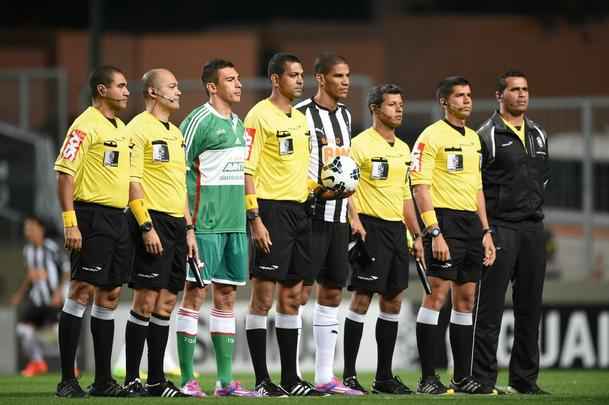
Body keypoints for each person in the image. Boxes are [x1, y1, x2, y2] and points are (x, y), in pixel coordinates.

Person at [244, 53, 325, 397]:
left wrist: (319, 188)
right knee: (263, 298)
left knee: (293, 296)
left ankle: (291, 378)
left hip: (299, 212)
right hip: (271, 211)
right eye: (293, 75)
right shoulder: (258, 116)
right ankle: (263, 381)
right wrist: (255, 218)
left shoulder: (301, 119)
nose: (300, 80)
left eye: (301, 74)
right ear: (276, 79)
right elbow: (247, 169)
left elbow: (305, 167)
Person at [410, 76, 496, 395]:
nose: (467, 100)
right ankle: (427, 378)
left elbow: (477, 188)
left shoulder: (474, 139)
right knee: (437, 295)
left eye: (469, 95)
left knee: (466, 299)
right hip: (443, 221)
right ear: (444, 102)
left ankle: (461, 377)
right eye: (459, 96)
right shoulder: (430, 137)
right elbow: (420, 186)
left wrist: (485, 231)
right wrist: (434, 231)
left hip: (470, 225)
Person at [175, 59, 256, 397]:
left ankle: (225, 381)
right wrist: (187, 227)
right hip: (204, 224)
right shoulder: (197, 121)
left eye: (238, 79)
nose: (238, 85)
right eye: (230, 80)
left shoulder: (239, 123)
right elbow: (175, 174)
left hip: (234, 224)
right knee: (194, 293)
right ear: (212, 86)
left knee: (226, 295)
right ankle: (188, 379)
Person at [53, 65, 131, 397]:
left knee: (110, 295)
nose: (127, 91)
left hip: (119, 218)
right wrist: (71, 222)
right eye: (121, 86)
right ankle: (67, 380)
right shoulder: (84, 125)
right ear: (102, 90)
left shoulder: (123, 129)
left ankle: (102, 381)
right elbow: (65, 175)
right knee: (81, 291)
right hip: (90, 216)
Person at [342, 84, 424, 395]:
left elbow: (405, 196)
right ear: (376, 109)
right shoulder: (360, 145)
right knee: (362, 298)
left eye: (401, 104)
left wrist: (416, 234)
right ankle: (349, 375)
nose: (399, 109)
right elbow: (347, 187)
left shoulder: (403, 149)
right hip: (370, 229)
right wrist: (355, 221)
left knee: (393, 300)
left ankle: (384, 376)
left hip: (396, 232)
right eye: (392, 104)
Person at [472, 70, 550, 395]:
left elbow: (543, 179)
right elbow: (474, 186)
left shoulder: (539, 134)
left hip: (533, 229)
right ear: (499, 95)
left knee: (530, 308)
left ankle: (525, 381)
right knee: (489, 308)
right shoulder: (485, 135)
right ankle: (483, 379)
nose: (522, 95)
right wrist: (486, 229)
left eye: (525, 89)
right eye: (515, 89)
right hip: (501, 228)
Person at [294, 52, 364, 396]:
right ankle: (291, 377)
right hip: (310, 217)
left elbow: (345, 171)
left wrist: (353, 215)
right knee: (297, 293)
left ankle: (324, 377)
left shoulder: (347, 115)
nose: (346, 81)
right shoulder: (302, 114)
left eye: (348, 75)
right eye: (338, 76)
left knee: (333, 290)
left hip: (338, 220)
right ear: (321, 78)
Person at [122, 68, 194, 398]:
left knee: (167, 302)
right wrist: (145, 225)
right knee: (146, 299)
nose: (178, 91)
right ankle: (131, 378)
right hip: (151, 222)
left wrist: (189, 229)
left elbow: (180, 186)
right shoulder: (137, 128)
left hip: (177, 226)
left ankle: (155, 381)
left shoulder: (176, 133)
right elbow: (132, 181)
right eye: (172, 86)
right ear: (153, 92)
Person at [11, 215, 70, 377]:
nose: (27, 231)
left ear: (41, 229)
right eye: (26, 228)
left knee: (61, 331)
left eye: (31, 227)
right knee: (23, 329)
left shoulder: (51, 247)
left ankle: (72, 366)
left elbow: (66, 270)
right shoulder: (27, 250)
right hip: (37, 300)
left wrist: (59, 293)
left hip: (53, 299)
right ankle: (37, 362)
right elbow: (30, 276)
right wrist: (19, 294)